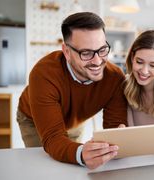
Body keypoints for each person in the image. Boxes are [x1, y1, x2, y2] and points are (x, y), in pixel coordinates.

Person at [17, 12, 127, 170]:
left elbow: (114, 129)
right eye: (86, 53)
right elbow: (53, 138)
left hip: (76, 118)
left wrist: (116, 140)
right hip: (34, 120)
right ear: (67, 52)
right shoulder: (44, 73)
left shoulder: (115, 78)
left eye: (102, 50)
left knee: (72, 167)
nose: (97, 61)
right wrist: (81, 154)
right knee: (44, 168)